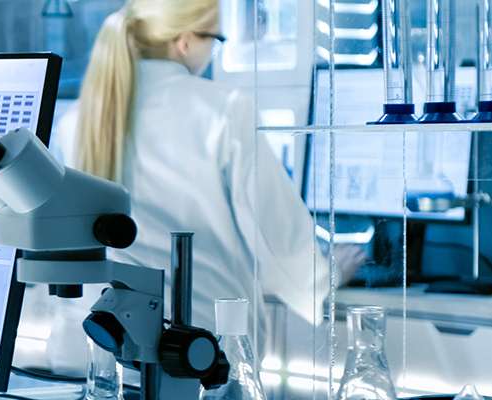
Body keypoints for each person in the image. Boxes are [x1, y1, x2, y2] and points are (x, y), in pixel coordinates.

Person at [22, 0, 363, 373]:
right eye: (215, 38)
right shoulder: (223, 110)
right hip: (194, 355)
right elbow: (275, 231)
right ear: (185, 41)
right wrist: (324, 277)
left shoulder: (80, 117)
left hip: (88, 351)